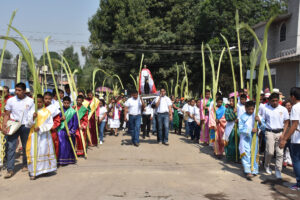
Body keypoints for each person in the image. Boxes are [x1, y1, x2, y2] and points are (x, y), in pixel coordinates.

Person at [2, 82, 34, 178]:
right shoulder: (11, 100)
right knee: (11, 146)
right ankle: (10, 169)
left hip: (25, 126)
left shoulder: (30, 101)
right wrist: (4, 125)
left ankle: (25, 164)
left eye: (19, 90)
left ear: (24, 91)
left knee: (25, 146)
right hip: (13, 125)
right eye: (16, 90)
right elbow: (7, 114)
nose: (17, 92)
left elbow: (32, 114)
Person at [25, 94, 57, 180]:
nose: (38, 104)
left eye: (40, 102)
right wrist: (32, 118)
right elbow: (27, 124)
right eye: (37, 102)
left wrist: (40, 128)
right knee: (34, 152)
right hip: (34, 135)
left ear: (43, 102)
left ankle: (45, 170)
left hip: (44, 135)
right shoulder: (31, 112)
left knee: (44, 151)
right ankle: (34, 172)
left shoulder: (47, 112)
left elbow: (50, 124)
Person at [262, 92, 289, 179]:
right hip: (269, 132)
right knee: (269, 152)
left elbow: (286, 122)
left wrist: (283, 134)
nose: (275, 102)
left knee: (280, 153)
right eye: (273, 101)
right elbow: (263, 121)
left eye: (276, 100)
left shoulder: (283, 109)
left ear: (279, 100)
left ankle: (278, 170)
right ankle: (266, 165)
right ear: (269, 101)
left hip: (280, 132)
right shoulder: (266, 109)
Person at [279, 87, 300, 190]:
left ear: (293, 97)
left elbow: (295, 125)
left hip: (297, 140)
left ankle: (299, 183)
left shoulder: (296, 107)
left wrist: (285, 138)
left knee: (296, 161)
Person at [239, 101, 265, 180]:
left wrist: (259, 121)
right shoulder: (242, 117)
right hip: (245, 138)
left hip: (254, 138)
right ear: (245, 108)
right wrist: (250, 129)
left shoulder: (257, 116)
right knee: (246, 153)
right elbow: (240, 128)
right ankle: (248, 171)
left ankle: (254, 169)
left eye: (252, 109)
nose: (251, 111)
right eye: (249, 109)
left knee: (254, 153)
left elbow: (264, 127)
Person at [57, 96, 78, 165]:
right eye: (64, 103)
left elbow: (75, 123)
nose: (66, 104)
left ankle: (69, 160)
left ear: (70, 103)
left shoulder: (73, 112)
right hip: (61, 131)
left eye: (67, 103)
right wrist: (60, 119)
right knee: (61, 146)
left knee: (69, 146)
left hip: (69, 132)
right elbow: (55, 121)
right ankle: (60, 160)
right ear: (62, 102)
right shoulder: (59, 111)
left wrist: (71, 132)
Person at [44, 92, 61, 159]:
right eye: (46, 98)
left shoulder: (54, 108)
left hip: (51, 130)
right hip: (42, 130)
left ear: (51, 99)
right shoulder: (40, 107)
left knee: (53, 145)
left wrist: (53, 126)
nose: (47, 100)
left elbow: (57, 119)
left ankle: (53, 162)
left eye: (49, 99)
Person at [224, 97, 239, 162]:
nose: (231, 102)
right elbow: (227, 117)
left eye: (233, 101)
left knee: (238, 143)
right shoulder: (228, 109)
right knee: (230, 143)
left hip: (238, 128)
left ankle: (238, 157)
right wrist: (233, 112)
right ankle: (229, 157)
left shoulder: (240, 108)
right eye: (230, 101)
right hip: (230, 128)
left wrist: (238, 120)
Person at [282, 100, 293, 167]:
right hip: (285, 131)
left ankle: (289, 160)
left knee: (290, 148)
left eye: (289, 105)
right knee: (284, 147)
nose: (288, 107)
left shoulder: (293, 112)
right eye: (287, 105)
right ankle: (284, 160)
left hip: (291, 132)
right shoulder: (283, 113)